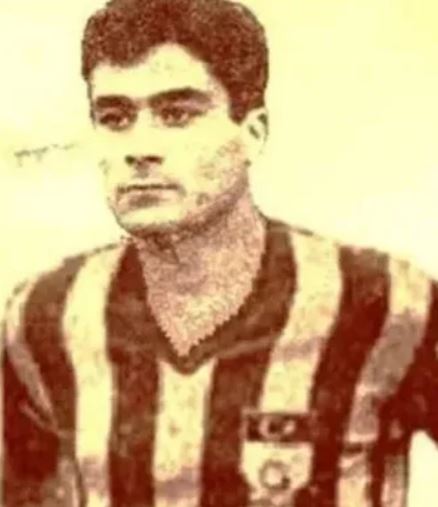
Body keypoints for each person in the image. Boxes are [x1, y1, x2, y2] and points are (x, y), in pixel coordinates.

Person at [2, 0, 438, 505]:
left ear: (252, 133)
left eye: (176, 115)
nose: (139, 147)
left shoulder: (383, 301)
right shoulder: (44, 317)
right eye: (115, 118)